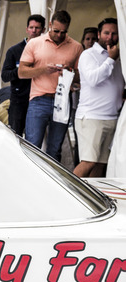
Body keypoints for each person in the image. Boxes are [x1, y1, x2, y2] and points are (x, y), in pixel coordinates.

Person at [18, 10, 83, 162]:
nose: (60, 35)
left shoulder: (76, 46)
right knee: (32, 147)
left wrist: (70, 72)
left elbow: (81, 76)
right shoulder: (35, 43)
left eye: (64, 32)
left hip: (62, 101)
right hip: (39, 99)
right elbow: (21, 72)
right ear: (49, 25)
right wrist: (43, 69)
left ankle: (50, 183)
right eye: (56, 31)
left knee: (55, 149)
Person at [73, 18, 121, 178]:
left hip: (112, 117)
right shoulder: (88, 55)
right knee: (88, 162)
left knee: (101, 165)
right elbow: (93, 79)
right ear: (99, 34)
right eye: (106, 33)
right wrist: (110, 60)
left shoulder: (119, 57)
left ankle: (91, 202)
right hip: (91, 117)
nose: (110, 37)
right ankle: (67, 193)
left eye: (114, 33)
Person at [1, 15, 45, 136]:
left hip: (39, 100)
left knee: (35, 139)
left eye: (37, 27)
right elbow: (5, 76)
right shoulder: (14, 51)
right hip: (19, 101)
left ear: (43, 30)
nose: (34, 31)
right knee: (16, 136)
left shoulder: (46, 50)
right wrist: (21, 70)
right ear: (27, 29)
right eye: (31, 27)